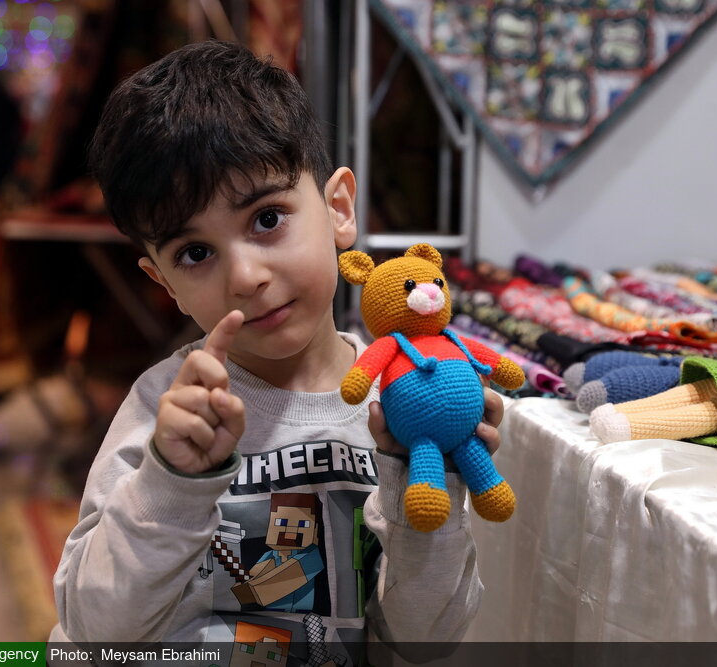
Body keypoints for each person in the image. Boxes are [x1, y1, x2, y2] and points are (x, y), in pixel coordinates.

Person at [49, 40, 506, 664]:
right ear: (164, 283)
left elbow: (427, 640)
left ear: (338, 209)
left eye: (267, 219)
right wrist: (172, 480)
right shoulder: (167, 409)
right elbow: (93, 628)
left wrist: (429, 480)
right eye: (195, 253)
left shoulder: (399, 401)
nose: (245, 276)